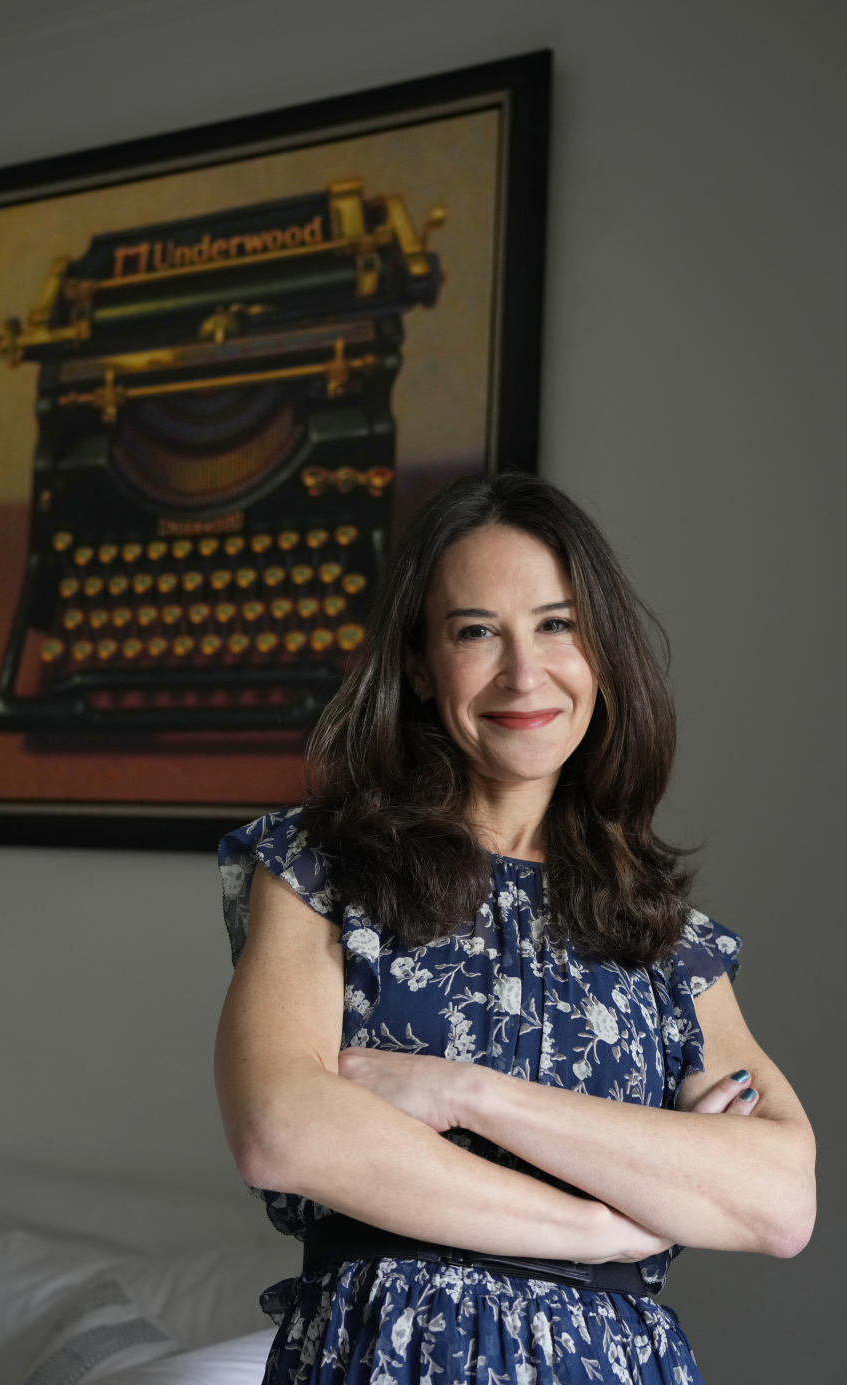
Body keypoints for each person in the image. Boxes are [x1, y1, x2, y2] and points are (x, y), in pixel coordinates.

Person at [214, 473, 815, 1385]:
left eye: (557, 624)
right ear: (419, 663)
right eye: (475, 631)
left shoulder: (661, 932)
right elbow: (281, 1127)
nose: (524, 673)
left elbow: (777, 1197)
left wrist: (464, 1094)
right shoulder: (319, 866)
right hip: (389, 1356)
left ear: (602, 651)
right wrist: (601, 1225)